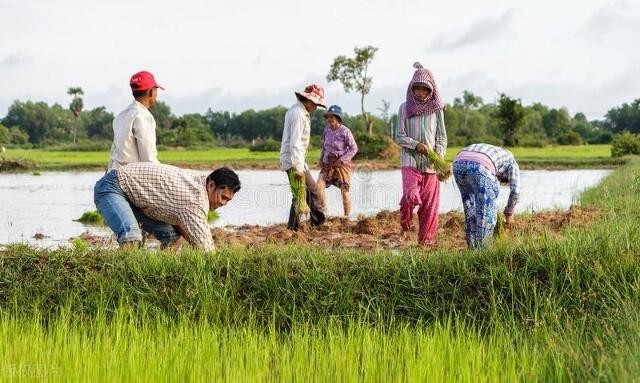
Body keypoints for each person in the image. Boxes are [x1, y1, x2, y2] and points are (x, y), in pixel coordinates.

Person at [94, 162, 240, 251]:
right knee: (131, 238)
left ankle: (161, 275)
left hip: (138, 199)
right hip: (113, 187)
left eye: (228, 200)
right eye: (223, 197)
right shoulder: (196, 200)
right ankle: (121, 283)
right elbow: (206, 249)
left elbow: (186, 228)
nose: (223, 203)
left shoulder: (203, 179)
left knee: (174, 239)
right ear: (211, 185)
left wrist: (193, 240)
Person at [393, 62, 448, 246]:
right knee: (411, 195)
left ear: (431, 91)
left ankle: (426, 241)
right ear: (412, 88)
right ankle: (405, 222)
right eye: (417, 89)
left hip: (431, 166)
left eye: (425, 90)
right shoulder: (404, 108)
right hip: (410, 161)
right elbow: (399, 136)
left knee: (430, 206)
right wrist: (416, 145)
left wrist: (437, 156)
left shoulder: (437, 110)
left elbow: (441, 137)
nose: (421, 93)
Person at [452, 143, 520, 248]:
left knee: (470, 210)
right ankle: (482, 253)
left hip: (458, 164)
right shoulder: (511, 161)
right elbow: (515, 190)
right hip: (480, 166)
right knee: (486, 216)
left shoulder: (495, 153)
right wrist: (509, 213)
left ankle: (472, 250)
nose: (501, 181)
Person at [280, 84, 327, 231]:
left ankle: (296, 227)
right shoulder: (298, 114)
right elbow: (295, 142)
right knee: (307, 192)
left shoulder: (298, 111)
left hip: (297, 160)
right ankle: (317, 222)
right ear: (309, 101)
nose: (316, 108)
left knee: (303, 193)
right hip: (294, 161)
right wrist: (298, 168)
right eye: (316, 105)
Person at [107, 70, 164, 171]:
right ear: (151, 92)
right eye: (156, 90)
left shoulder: (120, 116)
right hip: (130, 177)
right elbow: (149, 159)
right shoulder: (143, 116)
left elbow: (113, 153)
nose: (157, 94)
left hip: (113, 174)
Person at [316, 105, 358, 217]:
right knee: (318, 187)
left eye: (332, 117)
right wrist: (321, 159)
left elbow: (354, 148)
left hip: (341, 166)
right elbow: (324, 147)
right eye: (328, 117)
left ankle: (346, 217)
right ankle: (325, 213)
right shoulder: (326, 130)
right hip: (327, 164)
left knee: (344, 191)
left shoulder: (345, 131)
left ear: (338, 118)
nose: (329, 119)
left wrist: (342, 160)